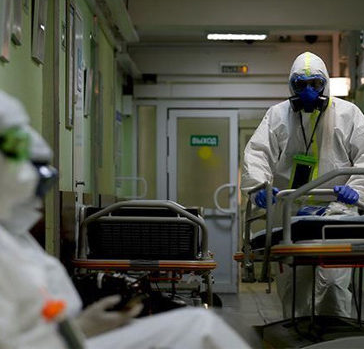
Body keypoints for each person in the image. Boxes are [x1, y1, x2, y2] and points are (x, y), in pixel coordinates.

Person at [0, 90, 250, 349]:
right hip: (62, 342)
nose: (36, 199)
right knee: (200, 328)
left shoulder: (16, 238)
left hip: (68, 337)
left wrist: (82, 327)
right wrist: (80, 330)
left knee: (198, 323)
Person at [241, 52, 364, 318]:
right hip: (291, 215)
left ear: (325, 84)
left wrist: (357, 189)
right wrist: (259, 187)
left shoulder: (348, 114)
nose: (308, 91)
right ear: (291, 86)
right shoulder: (277, 116)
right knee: (294, 288)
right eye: (300, 84)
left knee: (332, 285)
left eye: (315, 84)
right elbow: (257, 154)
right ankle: (295, 335)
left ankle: (334, 336)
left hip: (337, 213)